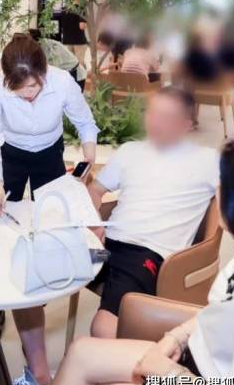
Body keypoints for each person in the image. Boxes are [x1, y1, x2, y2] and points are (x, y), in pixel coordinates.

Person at [48, 138, 234, 385]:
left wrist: (171, 373)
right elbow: (219, 312)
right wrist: (176, 337)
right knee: (81, 353)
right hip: (199, 360)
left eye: (225, 184)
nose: (218, 190)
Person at [0, 33, 98, 385]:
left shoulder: (61, 83)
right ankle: (4, 296)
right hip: (12, 154)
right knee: (5, 222)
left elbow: (85, 123)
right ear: (6, 81)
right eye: (21, 91)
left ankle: (39, 287)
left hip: (49, 154)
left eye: (34, 87)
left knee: (51, 225)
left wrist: (89, 156)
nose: (29, 95)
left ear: (44, 74)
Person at [85, 87, 218, 339]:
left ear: (186, 124)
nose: (155, 122)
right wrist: (93, 223)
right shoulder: (130, 150)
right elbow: (95, 190)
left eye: (166, 117)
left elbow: (233, 207)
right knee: (44, 270)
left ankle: (126, 361)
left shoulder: (208, 159)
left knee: (103, 328)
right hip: (104, 245)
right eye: (152, 113)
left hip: (145, 254)